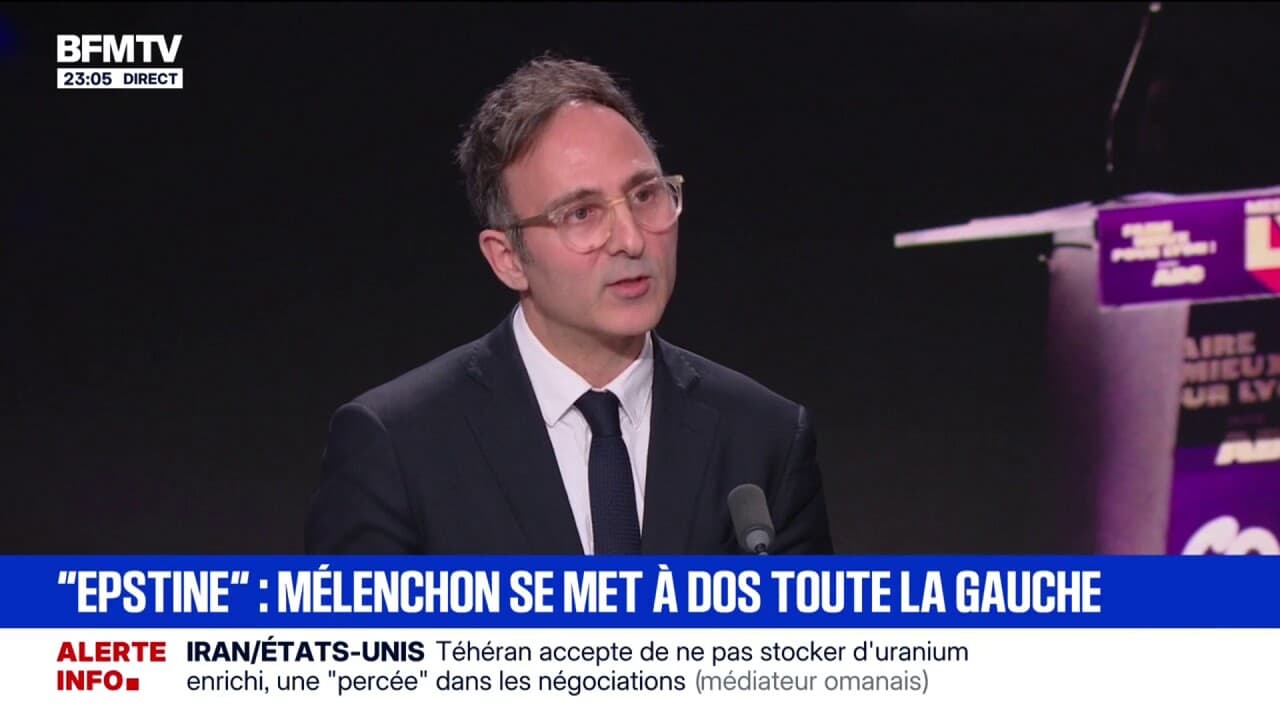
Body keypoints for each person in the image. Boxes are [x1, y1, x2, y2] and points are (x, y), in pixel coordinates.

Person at [305, 56, 832, 555]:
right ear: (508, 258)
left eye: (645, 195)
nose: (631, 239)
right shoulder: (397, 447)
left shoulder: (766, 438)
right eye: (581, 213)